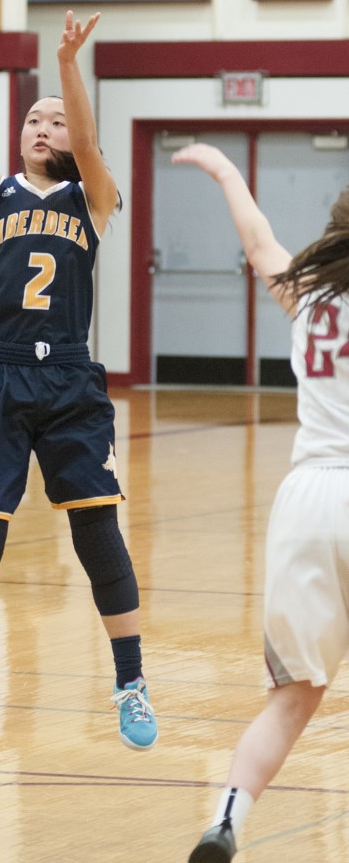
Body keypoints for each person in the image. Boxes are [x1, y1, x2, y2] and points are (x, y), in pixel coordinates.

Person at [0, 11, 157, 767]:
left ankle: (131, 683)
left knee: (98, 533)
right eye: (32, 118)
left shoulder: (93, 198)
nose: (43, 127)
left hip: (69, 380)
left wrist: (66, 65)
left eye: (53, 120)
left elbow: (88, 144)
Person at [172, 142, 349, 863]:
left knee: (295, 695)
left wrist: (224, 171)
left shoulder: (308, 295)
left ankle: (226, 822)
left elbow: (257, 242)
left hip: (307, 499)